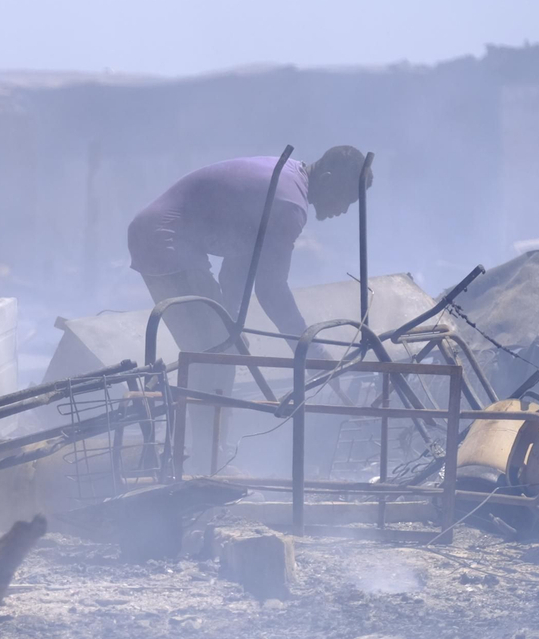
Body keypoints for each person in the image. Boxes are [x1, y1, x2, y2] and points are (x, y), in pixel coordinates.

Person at [127, 147, 371, 466]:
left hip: (161, 237)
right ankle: (204, 460)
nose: (343, 211)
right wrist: (311, 351)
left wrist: (231, 324)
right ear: (327, 178)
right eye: (346, 200)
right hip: (165, 241)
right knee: (214, 352)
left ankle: (204, 454)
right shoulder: (289, 204)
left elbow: (236, 272)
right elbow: (270, 289)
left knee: (222, 345)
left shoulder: (284, 184)